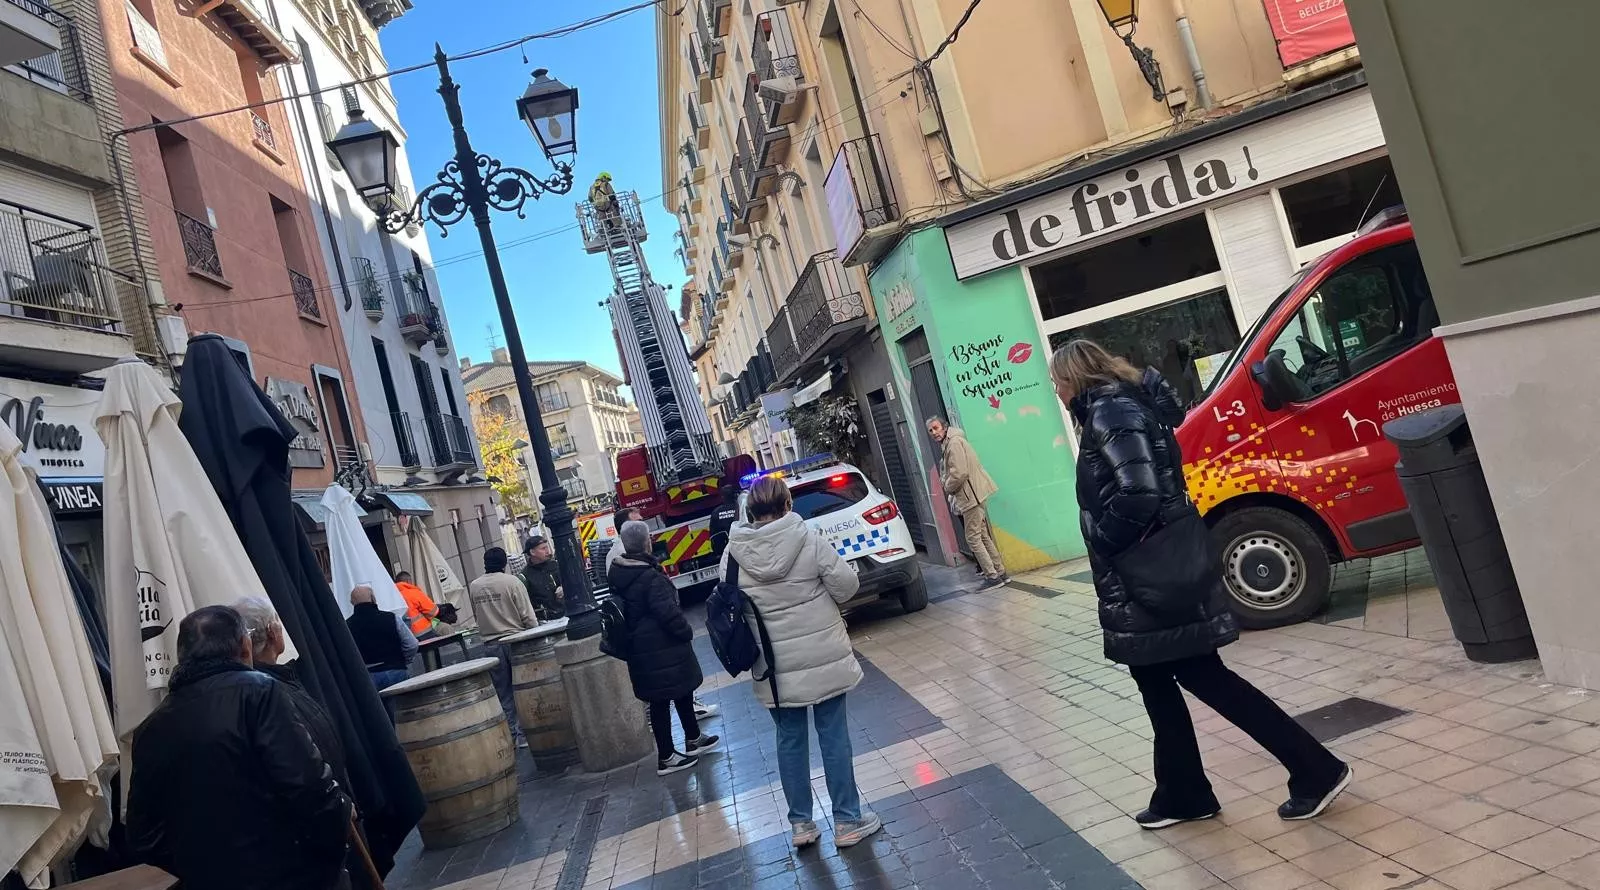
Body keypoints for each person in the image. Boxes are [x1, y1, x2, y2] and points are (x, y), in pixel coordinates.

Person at [1050, 339, 1351, 829]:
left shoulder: (1110, 412)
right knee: (1158, 681)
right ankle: (1184, 794)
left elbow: (1140, 492)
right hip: (1150, 574)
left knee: (1205, 678)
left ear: (1073, 378)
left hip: (1149, 574)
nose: (1057, 393)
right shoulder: (1124, 406)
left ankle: (1315, 768)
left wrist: (1105, 539)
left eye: (1057, 383)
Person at [126, 606, 352, 890]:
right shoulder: (259, 692)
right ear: (245, 646)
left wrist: (199, 866)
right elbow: (308, 785)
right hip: (293, 875)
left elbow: (143, 835)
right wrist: (336, 827)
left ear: (182, 657)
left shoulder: (149, 730)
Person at [723, 476, 882, 850]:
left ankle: (801, 825)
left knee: (789, 740)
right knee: (833, 735)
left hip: (773, 666)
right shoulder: (810, 540)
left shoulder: (733, 554)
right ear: (787, 505)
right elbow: (847, 587)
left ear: (750, 511)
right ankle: (847, 821)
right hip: (822, 654)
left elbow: (730, 604)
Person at [609, 520, 719, 776]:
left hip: (644, 649)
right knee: (662, 702)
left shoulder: (620, 571)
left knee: (680, 692)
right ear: (646, 542)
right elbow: (667, 612)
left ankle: (693, 738)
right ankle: (667, 756)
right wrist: (685, 631)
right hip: (661, 646)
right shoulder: (649, 576)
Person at [468, 547, 539, 749]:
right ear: (504, 563)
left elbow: (476, 615)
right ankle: (524, 735)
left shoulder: (474, 586)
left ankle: (509, 735)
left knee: (503, 693)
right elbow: (528, 616)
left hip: (491, 645)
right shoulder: (512, 582)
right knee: (522, 689)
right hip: (515, 641)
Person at [927, 416, 1008, 591]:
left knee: (973, 538)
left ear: (944, 427)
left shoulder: (953, 444)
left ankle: (992, 576)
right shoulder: (951, 442)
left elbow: (959, 473)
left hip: (970, 496)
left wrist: (947, 487)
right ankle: (1000, 572)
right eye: (930, 430)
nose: (934, 432)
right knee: (983, 535)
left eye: (936, 428)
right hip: (975, 494)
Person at [345, 585, 418, 699]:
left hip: (367, 677)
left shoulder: (346, 626)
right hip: (396, 671)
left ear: (352, 603)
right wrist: (403, 660)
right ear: (373, 599)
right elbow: (412, 644)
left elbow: (347, 655)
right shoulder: (391, 618)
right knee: (405, 708)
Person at [520, 536, 565, 621]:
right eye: (543, 548)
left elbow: (572, 583)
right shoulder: (525, 576)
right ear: (532, 552)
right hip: (544, 620)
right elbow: (524, 602)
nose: (547, 551)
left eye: (547, 547)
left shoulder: (556, 565)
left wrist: (564, 588)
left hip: (566, 613)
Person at [394, 571, 440, 640]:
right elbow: (433, 611)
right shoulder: (413, 592)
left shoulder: (393, 597)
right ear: (408, 581)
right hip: (424, 632)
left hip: (406, 636)